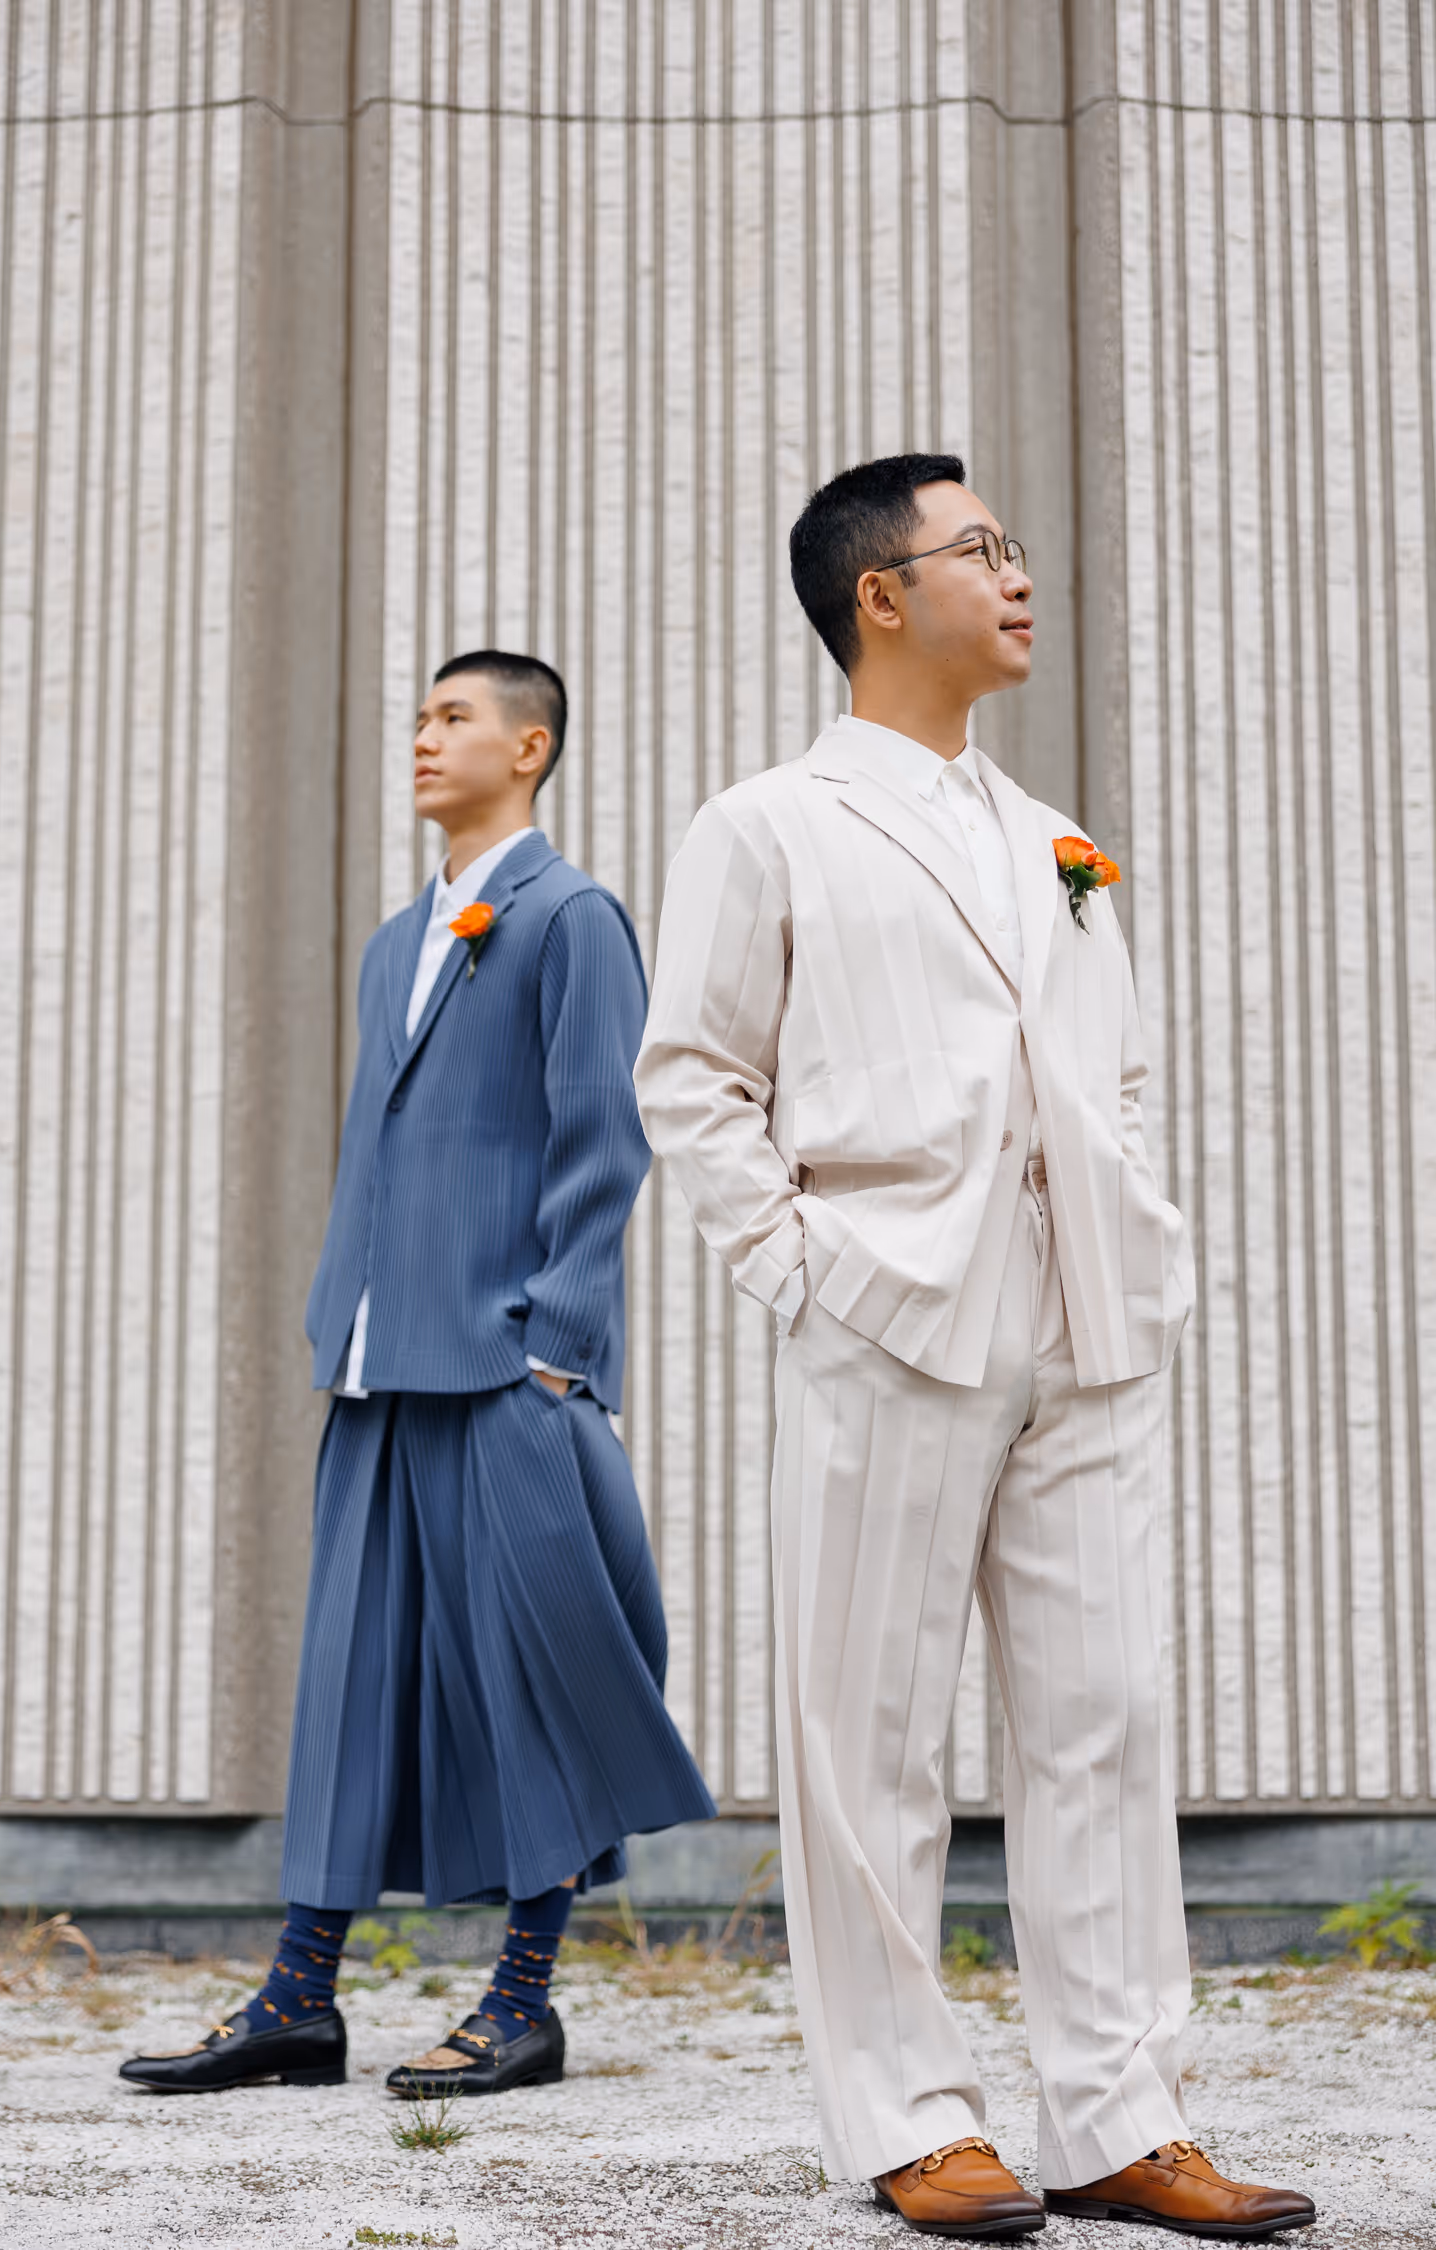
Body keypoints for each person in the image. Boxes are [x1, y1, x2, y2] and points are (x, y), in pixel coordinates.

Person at [633, 456, 1315, 2240]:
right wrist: (805, 1271)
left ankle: (1117, 2109)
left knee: (1102, 1718)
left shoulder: (1050, 833)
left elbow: (1118, 1067)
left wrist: (1136, 1226)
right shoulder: (767, 821)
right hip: (888, 1315)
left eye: (1012, 546)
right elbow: (694, 1079)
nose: (1018, 575)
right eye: (981, 550)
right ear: (880, 594)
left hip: (1086, 1321)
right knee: (870, 1739)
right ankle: (910, 2112)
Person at [122, 650, 714, 2100]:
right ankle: (299, 1998)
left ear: (533, 745)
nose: (423, 737)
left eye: (454, 717)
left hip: (509, 1374)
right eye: (420, 715)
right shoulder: (402, 942)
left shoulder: (570, 916)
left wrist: (555, 1350)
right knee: (349, 1688)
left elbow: (605, 1138)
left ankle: (523, 2000)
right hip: (381, 1377)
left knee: (543, 1678)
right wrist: (342, 1319)